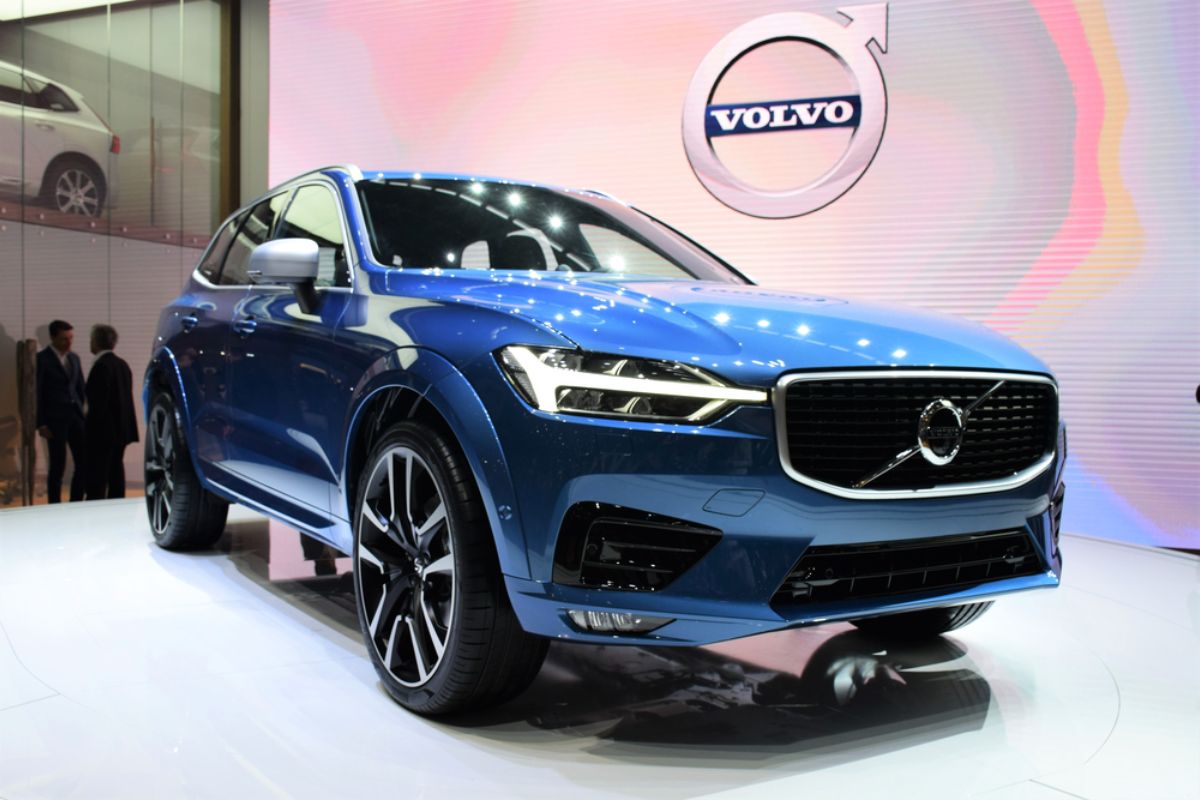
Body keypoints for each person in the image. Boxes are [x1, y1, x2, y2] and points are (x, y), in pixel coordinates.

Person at [84, 324, 138, 500]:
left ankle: (95, 504)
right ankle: (116, 503)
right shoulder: (122, 364)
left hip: (104, 430)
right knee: (116, 469)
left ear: (95, 342)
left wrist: (89, 428)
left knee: (99, 473)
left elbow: (97, 403)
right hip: (122, 429)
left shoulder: (101, 366)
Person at [36, 319, 86, 503]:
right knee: (57, 465)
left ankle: (76, 500)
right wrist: (41, 422)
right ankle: (54, 503)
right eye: (64, 339)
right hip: (54, 420)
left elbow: (80, 388)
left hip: (75, 418)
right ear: (52, 338)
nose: (69, 342)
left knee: (82, 462)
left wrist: (83, 413)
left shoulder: (74, 358)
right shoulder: (42, 360)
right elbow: (38, 393)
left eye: (71, 338)